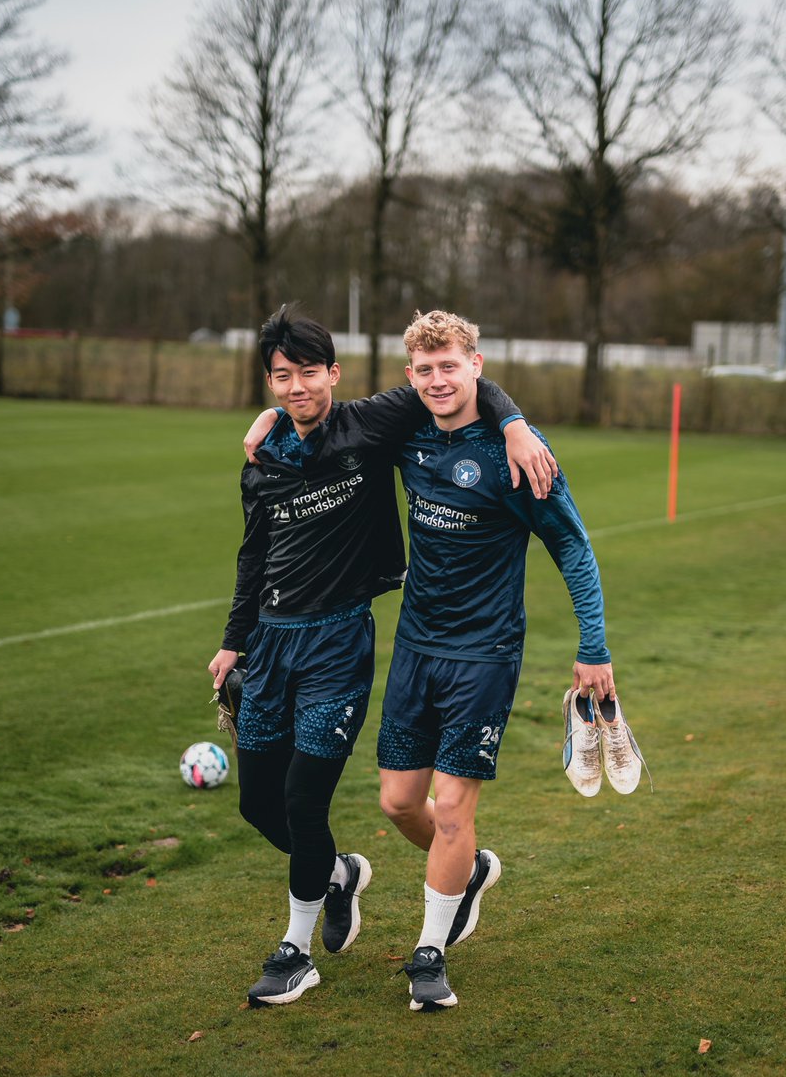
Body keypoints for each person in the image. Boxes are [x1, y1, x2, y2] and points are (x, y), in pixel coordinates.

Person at [209, 304, 556, 1007]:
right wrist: (233, 639)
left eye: (309, 372)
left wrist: (516, 424)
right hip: (271, 642)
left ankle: (295, 952)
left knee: (306, 798)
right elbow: (254, 556)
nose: (297, 386)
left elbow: (457, 380)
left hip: (339, 641)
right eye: (282, 376)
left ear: (333, 373)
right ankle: (338, 874)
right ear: (270, 382)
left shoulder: (371, 422)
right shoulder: (263, 459)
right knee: (257, 804)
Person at [376, 309, 618, 1012]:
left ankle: (429, 949)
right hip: (415, 644)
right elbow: (325, 412)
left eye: (449, 365)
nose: (437, 379)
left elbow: (570, 545)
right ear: (409, 376)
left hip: (483, 652)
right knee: (398, 803)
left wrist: (592, 645)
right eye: (423, 370)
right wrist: (274, 414)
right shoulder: (408, 431)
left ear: (476, 364)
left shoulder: (519, 450)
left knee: (451, 807)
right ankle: (471, 869)